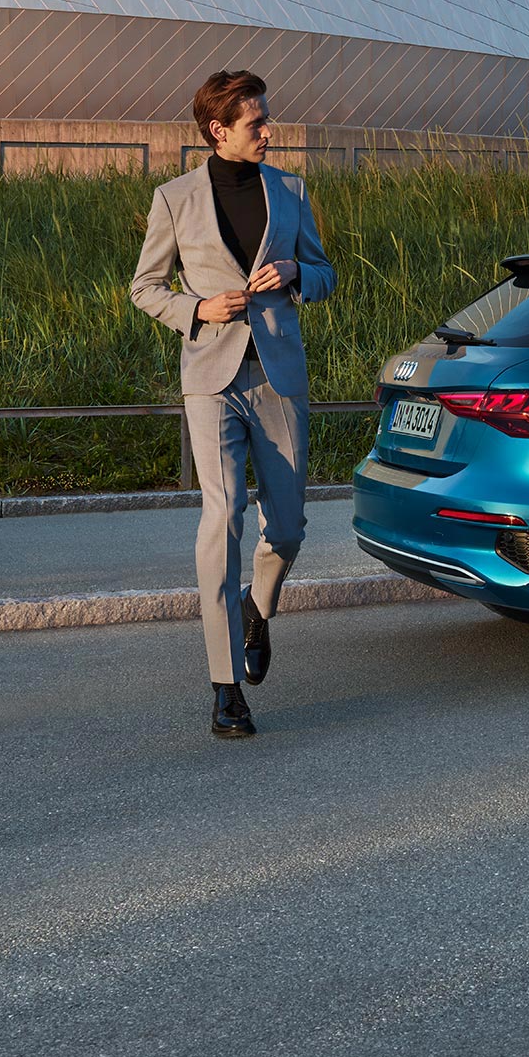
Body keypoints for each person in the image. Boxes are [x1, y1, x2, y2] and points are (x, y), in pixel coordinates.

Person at [130, 70, 336, 738]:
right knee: (221, 521)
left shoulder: (292, 191)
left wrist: (302, 273)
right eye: (256, 124)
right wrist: (198, 307)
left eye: (267, 119)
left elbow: (327, 274)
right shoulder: (174, 199)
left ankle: (258, 607)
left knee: (290, 529)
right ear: (218, 131)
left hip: (279, 378)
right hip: (211, 380)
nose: (269, 132)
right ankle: (225, 690)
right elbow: (144, 287)